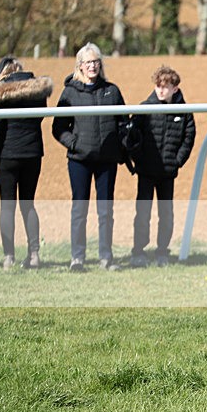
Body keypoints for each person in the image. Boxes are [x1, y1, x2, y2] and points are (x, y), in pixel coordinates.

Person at [52, 42, 127, 272]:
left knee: (106, 211)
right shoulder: (70, 92)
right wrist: (74, 144)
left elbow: (123, 122)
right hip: (79, 160)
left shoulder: (112, 91)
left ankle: (106, 257)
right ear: (80, 66)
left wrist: (120, 146)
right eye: (88, 62)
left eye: (96, 61)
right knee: (79, 209)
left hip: (106, 160)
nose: (93, 65)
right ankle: (78, 258)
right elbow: (59, 127)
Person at [0, 57, 52, 270]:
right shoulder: (37, 90)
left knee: (7, 206)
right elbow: (39, 119)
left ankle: (8, 257)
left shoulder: (1, 91)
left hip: (7, 155)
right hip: (33, 154)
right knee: (28, 204)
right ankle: (34, 254)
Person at [123, 66, 196, 268]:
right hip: (146, 171)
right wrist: (139, 160)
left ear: (175, 88)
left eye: (166, 86)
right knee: (143, 213)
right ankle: (138, 251)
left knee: (166, 213)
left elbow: (189, 138)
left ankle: (162, 251)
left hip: (167, 173)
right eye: (158, 86)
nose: (161, 90)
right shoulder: (144, 108)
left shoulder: (184, 111)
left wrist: (177, 161)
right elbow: (132, 137)